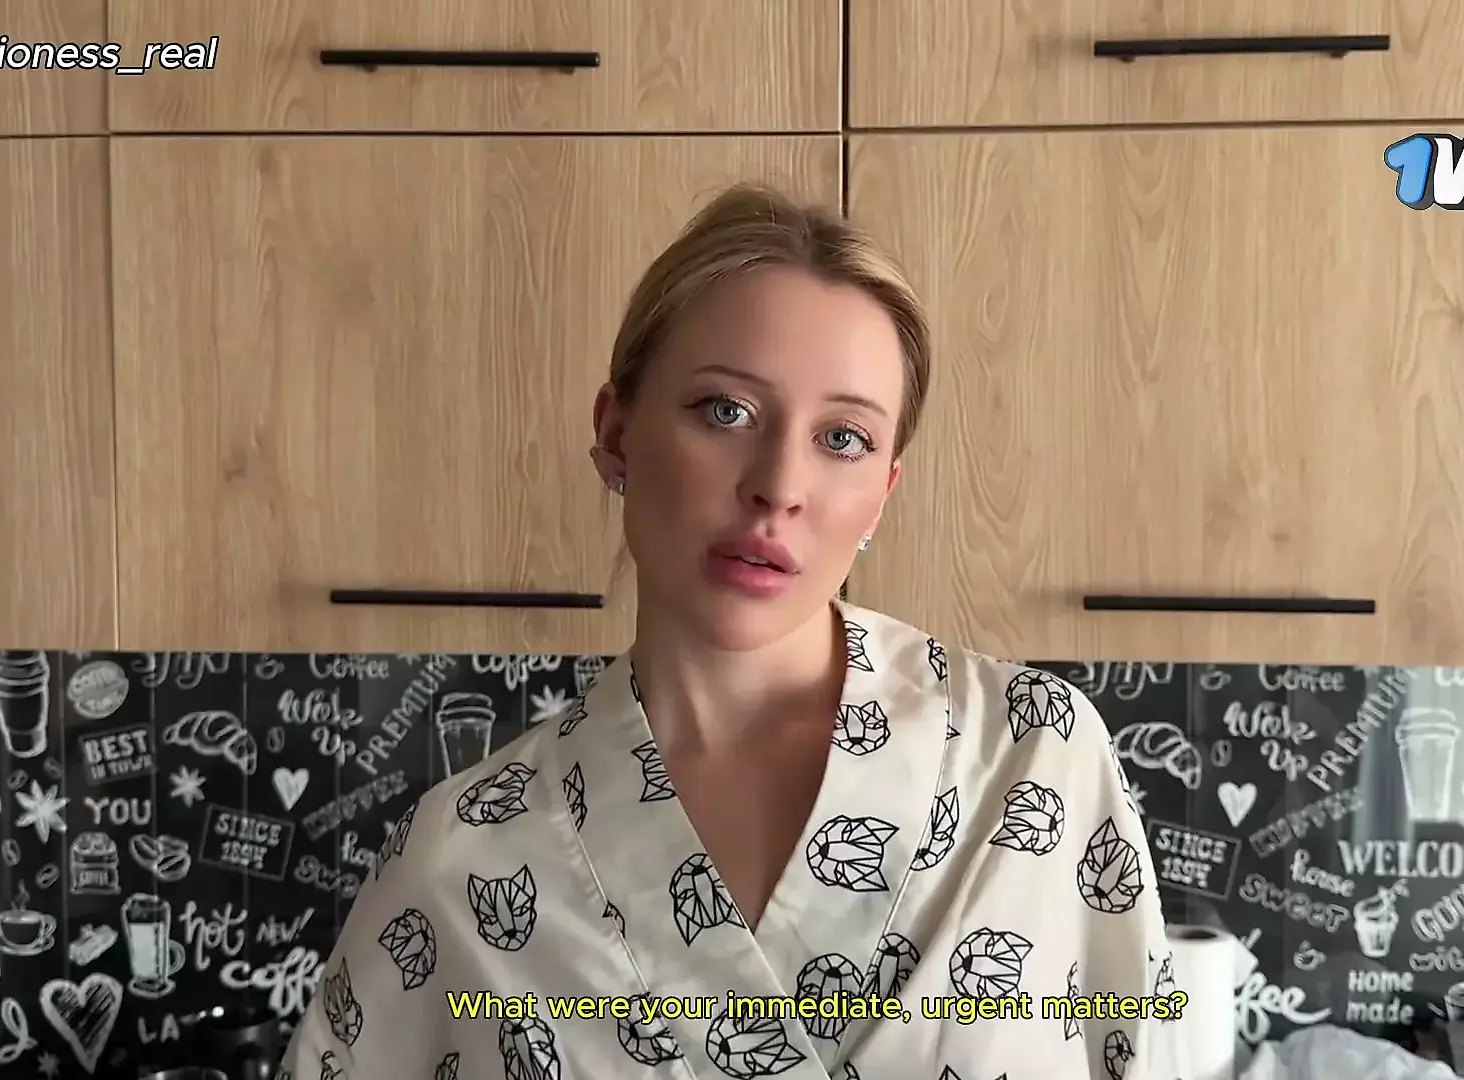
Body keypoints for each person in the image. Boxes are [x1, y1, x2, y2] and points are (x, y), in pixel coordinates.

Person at [279, 184, 1173, 1080]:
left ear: (882, 494)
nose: (778, 485)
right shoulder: (461, 862)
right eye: (726, 411)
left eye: (844, 439)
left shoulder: (1032, 760)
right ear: (617, 434)